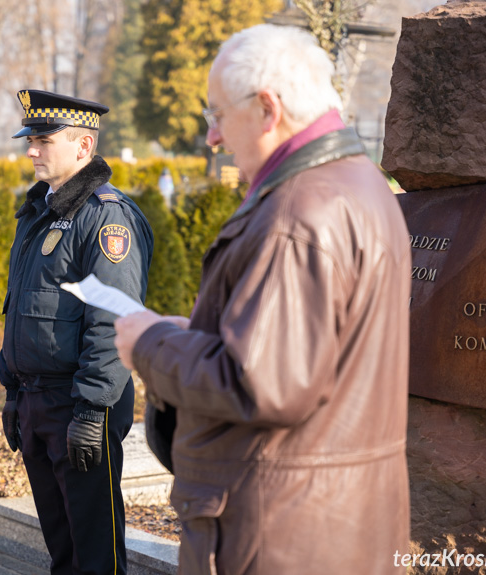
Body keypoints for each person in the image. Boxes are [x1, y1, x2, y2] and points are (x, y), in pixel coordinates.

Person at [114, 24, 412, 575]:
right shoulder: (358, 184)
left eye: (219, 116)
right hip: (327, 524)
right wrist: (193, 336)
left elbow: (259, 383)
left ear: (268, 108)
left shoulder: (298, 211)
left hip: (275, 536)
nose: (213, 139)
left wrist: (150, 343)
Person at [0, 89, 154, 575]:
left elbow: (113, 319)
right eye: (31, 139)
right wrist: (12, 394)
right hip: (36, 404)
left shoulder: (105, 217)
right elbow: (20, 309)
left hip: (79, 407)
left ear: (84, 147)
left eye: (44, 139)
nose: (31, 150)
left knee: (96, 554)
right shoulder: (38, 212)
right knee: (62, 549)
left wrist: (92, 409)